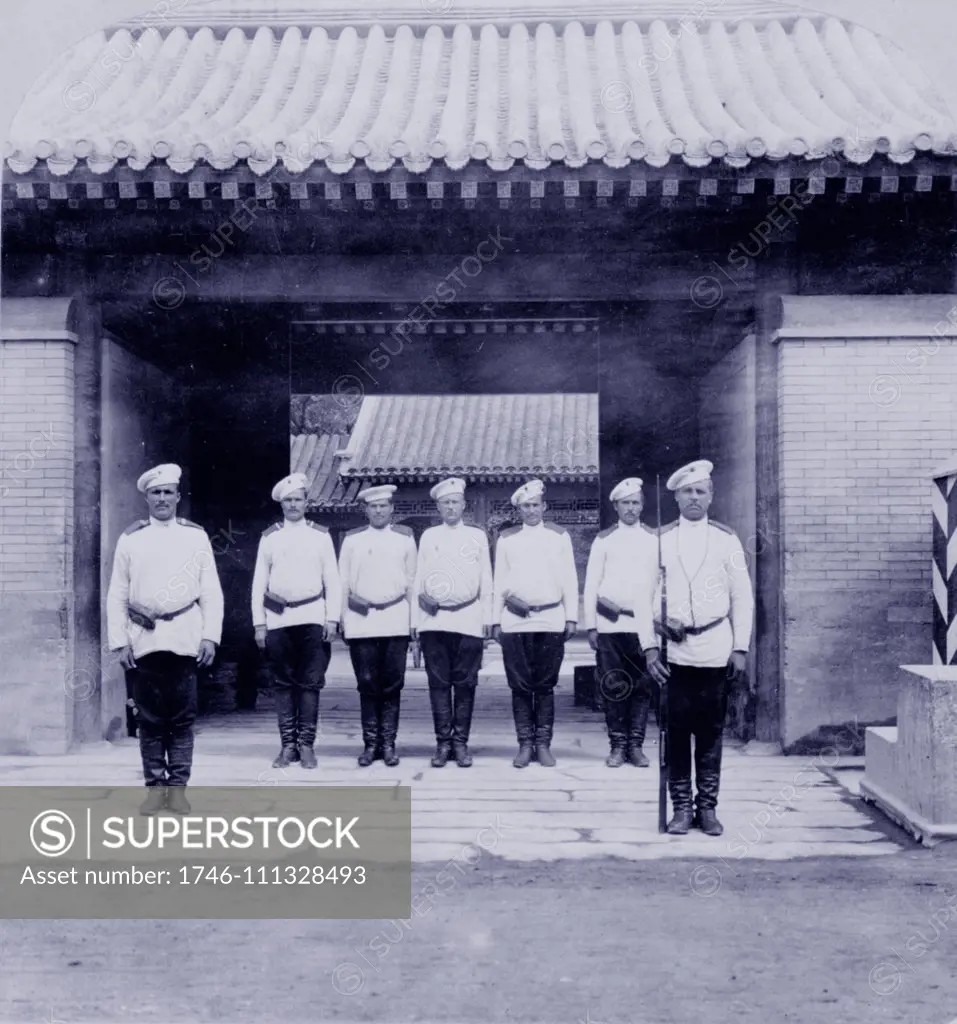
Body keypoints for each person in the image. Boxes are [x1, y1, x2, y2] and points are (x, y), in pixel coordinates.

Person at [643, 460, 754, 837]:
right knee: (675, 733)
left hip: (715, 650)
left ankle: (707, 808)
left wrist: (740, 647)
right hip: (673, 655)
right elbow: (642, 600)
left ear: (711, 496)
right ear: (675, 496)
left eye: (700, 491)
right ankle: (681, 809)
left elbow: (743, 598)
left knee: (710, 732)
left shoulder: (727, 540)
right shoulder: (659, 540)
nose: (694, 497)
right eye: (687, 491)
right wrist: (650, 650)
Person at [105, 463, 223, 816]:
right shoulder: (131, 539)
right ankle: (155, 791)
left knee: (183, 718)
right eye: (155, 492)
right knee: (149, 719)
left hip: (185, 637)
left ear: (178, 497)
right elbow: (117, 594)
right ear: (146, 498)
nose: (162, 498)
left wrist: (210, 637)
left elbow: (211, 591)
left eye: (168, 492)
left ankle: (179, 789)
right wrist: (119, 641)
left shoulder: (195, 536)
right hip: (144, 641)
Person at [251, 472, 342, 770]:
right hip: (278, 620)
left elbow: (333, 580)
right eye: (288, 500)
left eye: (298, 499)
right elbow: (258, 584)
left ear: (307, 502)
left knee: (310, 683)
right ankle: (287, 746)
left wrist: (332, 619)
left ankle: (306, 745)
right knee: (283, 683)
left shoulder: (320, 535)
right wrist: (259, 624)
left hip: (312, 616)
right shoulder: (270, 537)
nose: (293, 505)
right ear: (281, 504)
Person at [492, 479, 578, 768]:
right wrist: (495, 620)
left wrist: (571, 616)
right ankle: (525, 744)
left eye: (535, 505)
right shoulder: (506, 539)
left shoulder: (559, 536)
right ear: (519, 509)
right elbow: (499, 582)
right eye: (525, 506)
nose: (531, 511)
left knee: (545, 685)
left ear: (544, 506)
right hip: (515, 622)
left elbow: (569, 578)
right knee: (519, 686)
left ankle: (543, 744)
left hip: (550, 619)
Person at [412, 477, 493, 768]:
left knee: (466, 684)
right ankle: (442, 743)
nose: (450, 507)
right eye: (445, 502)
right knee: (438, 684)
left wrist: (488, 618)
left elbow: (487, 579)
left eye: (455, 501)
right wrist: (416, 622)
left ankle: (461, 743)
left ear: (463, 505)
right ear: (438, 506)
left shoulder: (477, 536)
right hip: (434, 621)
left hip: (468, 618)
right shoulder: (429, 537)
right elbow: (418, 580)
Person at [339, 484, 417, 767]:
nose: (379, 510)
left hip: (395, 618)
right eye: (374, 506)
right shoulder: (352, 540)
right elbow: (343, 583)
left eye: (384, 506)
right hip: (362, 621)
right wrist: (343, 621)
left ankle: (388, 744)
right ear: (366, 510)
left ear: (392, 508)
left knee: (393, 684)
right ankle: (370, 744)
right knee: (367, 684)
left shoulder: (405, 539)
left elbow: (412, 581)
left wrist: (413, 623)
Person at [583, 477, 659, 768]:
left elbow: (659, 584)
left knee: (641, 686)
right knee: (613, 685)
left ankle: (636, 746)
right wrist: (591, 626)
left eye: (636, 502)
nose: (631, 508)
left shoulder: (654, 540)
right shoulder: (604, 540)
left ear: (642, 505)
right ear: (615, 506)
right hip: (611, 626)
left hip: (642, 627)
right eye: (625, 503)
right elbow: (591, 585)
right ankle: (617, 745)